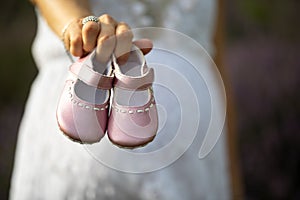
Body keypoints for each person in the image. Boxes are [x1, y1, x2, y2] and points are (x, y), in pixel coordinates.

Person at [10, 0, 241, 199]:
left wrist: (232, 181)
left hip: (197, 162)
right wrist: (80, 25)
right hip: (84, 131)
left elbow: (214, 61)